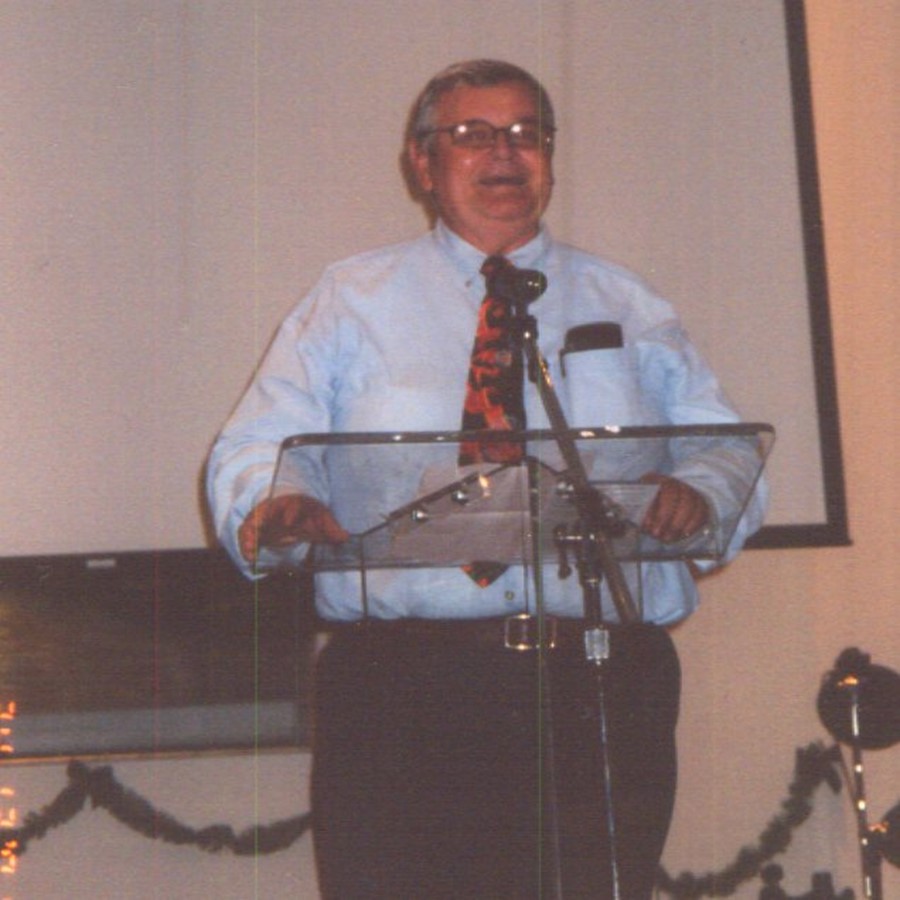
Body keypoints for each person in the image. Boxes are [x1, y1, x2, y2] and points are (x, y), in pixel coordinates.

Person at [207, 59, 767, 899]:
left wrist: (703, 494)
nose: (504, 154)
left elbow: (722, 446)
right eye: (472, 135)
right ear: (421, 163)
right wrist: (273, 504)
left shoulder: (624, 298)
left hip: (596, 684)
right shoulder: (350, 300)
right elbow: (255, 444)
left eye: (525, 135)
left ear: (549, 158)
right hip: (404, 689)